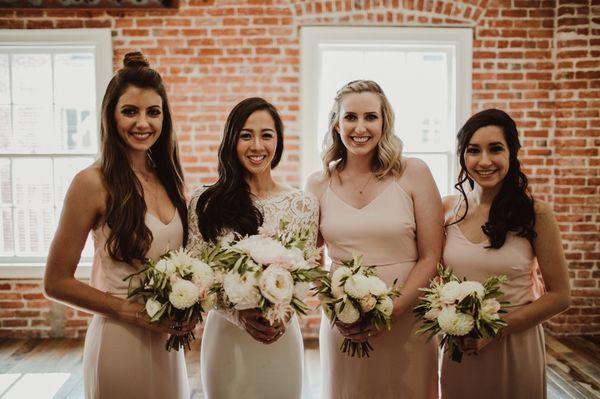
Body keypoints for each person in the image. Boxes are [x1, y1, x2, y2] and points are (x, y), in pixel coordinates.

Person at [43, 52, 191, 399]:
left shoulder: (168, 178)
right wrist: (128, 310)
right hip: (119, 338)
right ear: (111, 115)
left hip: (167, 342)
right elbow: (55, 281)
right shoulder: (91, 183)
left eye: (153, 112)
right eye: (130, 111)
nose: (143, 123)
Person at [306, 80, 443, 398]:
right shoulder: (318, 184)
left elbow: (431, 256)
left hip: (407, 319)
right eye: (350, 117)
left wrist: (394, 309)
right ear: (336, 124)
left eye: (370, 117)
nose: (360, 127)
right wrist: (336, 309)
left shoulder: (413, 173)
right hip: (346, 325)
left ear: (384, 123)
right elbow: (309, 259)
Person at [187, 97, 318, 399]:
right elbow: (197, 277)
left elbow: (306, 273)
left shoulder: (302, 204)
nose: (257, 145)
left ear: (279, 141)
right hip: (226, 338)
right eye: (246, 135)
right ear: (231, 140)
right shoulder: (205, 202)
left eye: (266, 135)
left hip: (281, 335)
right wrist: (238, 314)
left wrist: (283, 315)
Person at [440, 108, 571, 398]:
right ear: (463, 156)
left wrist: (494, 330)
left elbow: (560, 295)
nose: (484, 161)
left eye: (495, 149)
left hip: (514, 344)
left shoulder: (535, 214)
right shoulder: (446, 209)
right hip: (459, 344)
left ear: (512, 153)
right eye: (474, 150)